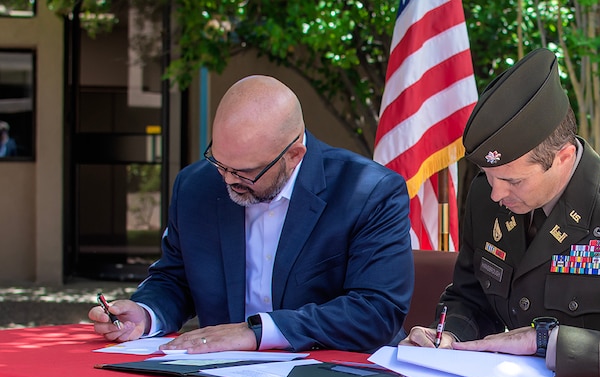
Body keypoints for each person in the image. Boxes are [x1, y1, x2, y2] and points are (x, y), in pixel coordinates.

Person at [402, 49, 600, 377]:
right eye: (488, 176)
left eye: (513, 181)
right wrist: (449, 336)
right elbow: (470, 297)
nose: (496, 194)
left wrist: (549, 342)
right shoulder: (486, 197)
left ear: (563, 156)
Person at [90, 75, 414, 353]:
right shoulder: (195, 186)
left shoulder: (369, 192)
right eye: (219, 162)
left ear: (294, 155)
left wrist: (257, 332)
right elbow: (176, 279)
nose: (228, 180)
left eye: (245, 172)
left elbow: (376, 311)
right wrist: (146, 313)